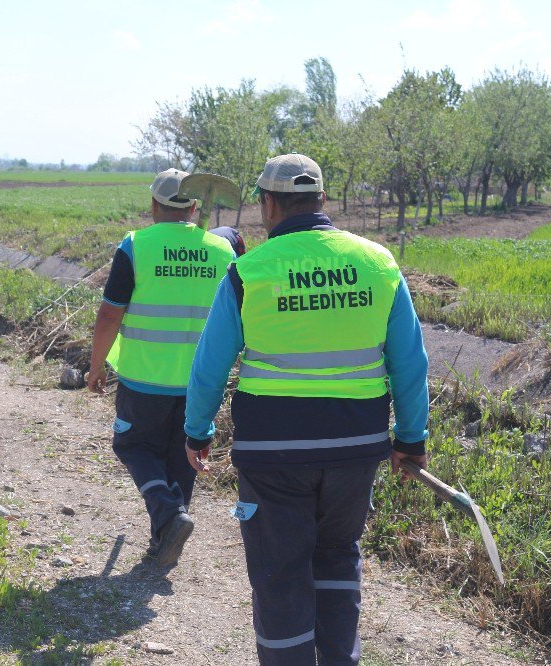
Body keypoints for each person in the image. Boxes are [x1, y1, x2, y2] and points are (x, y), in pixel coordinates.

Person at [184, 153, 430, 665]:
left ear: (269, 204)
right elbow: (409, 363)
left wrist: (197, 430)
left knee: (280, 573)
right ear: (323, 200)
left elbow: (210, 365)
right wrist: (411, 441)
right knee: (338, 556)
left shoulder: (247, 272)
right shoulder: (378, 263)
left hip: (272, 456)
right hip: (355, 452)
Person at [86, 169, 236, 567]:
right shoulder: (224, 253)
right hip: (200, 383)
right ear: (193, 206)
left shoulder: (137, 246)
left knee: (133, 445)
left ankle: (169, 516)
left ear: (154, 205)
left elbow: (109, 315)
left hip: (145, 377)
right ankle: (166, 535)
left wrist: (95, 366)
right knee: (182, 454)